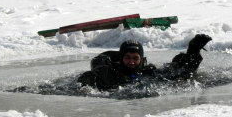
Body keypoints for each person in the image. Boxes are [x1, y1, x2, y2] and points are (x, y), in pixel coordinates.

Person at [77, 34, 212, 91]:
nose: (131, 62)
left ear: (141, 59)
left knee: (179, 72)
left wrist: (193, 52)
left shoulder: (148, 71)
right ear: (121, 58)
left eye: (135, 58)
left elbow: (178, 70)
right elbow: (95, 67)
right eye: (127, 57)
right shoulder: (110, 71)